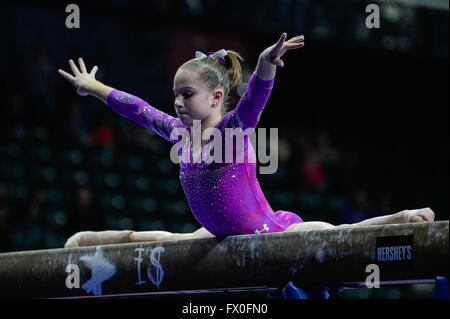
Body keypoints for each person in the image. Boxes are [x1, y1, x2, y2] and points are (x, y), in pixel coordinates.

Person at [58, 33, 435, 248]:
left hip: (266, 232)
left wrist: (266, 65)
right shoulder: (178, 132)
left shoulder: (231, 132)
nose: (176, 102)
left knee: (335, 237)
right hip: (219, 236)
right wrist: (93, 87)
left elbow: (254, 100)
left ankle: (402, 217)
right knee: (160, 243)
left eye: (186, 94)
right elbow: (138, 109)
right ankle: (91, 241)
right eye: (175, 93)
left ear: (217, 98)